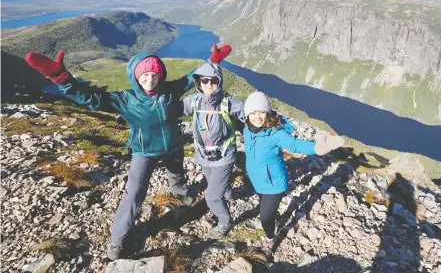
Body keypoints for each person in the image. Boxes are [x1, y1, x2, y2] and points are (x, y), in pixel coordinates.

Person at [24, 48, 228, 260]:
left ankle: (182, 196)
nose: (150, 79)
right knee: (134, 194)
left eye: (154, 75)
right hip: (145, 151)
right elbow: (90, 98)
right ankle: (117, 241)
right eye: (144, 75)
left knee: (177, 174)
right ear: (135, 76)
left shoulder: (169, 90)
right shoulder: (125, 99)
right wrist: (62, 78)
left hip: (173, 146)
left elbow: (190, 79)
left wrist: (212, 62)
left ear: (160, 76)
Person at [242, 91, 345, 255]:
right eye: (253, 112)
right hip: (258, 180)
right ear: (247, 115)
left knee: (265, 218)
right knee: (267, 210)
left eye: (261, 111)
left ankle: (269, 240)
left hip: (274, 184)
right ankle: (273, 217)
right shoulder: (247, 130)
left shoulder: (275, 134)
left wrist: (320, 146)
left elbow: (296, 145)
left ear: (267, 112)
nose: (257, 116)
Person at [180, 43, 247, 239]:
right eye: (204, 80)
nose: (209, 84)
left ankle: (225, 221)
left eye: (214, 81)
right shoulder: (193, 101)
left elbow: (250, 113)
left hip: (225, 155)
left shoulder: (228, 102)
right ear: (198, 82)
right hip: (203, 155)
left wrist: (273, 120)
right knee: (215, 185)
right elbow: (171, 110)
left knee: (211, 196)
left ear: (219, 82)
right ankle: (226, 195)